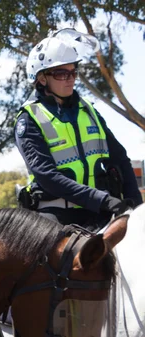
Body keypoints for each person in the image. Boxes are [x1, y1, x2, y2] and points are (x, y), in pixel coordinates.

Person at [15, 29, 142, 230]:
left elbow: (120, 158)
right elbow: (47, 176)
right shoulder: (28, 119)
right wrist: (101, 200)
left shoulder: (89, 111)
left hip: (99, 212)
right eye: (61, 73)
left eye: (73, 71)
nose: (70, 78)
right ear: (41, 78)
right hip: (54, 218)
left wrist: (136, 206)